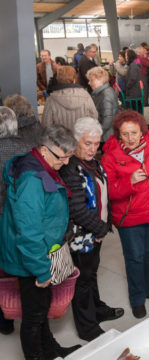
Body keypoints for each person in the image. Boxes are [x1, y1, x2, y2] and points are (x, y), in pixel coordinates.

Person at [0, 124, 81, 359]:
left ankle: (51, 350)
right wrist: (41, 271)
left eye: (69, 156)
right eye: (63, 157)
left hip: (38, 254)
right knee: (34, 315)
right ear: (45, 150)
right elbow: (29, 232)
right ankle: (37, 355)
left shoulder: (42, 164)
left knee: (41, 307)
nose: (66, 162)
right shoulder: (31, 180)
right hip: (30, 257)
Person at [101, 110, 149, 319]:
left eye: (134, 133)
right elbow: (109, 191)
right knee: (135, 258)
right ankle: (137, 298)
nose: (130, 138)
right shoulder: (110, 156)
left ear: (142, 131)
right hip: (130, 217)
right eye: (124, 134)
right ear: (118, 134)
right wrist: (130, 181)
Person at [59, 117, 124, 341]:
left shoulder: (92, 162)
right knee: (82, 282)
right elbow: (76, 209)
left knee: (91, 273)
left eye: (97, 144)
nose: (93, 148)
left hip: (95, 233)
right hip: (82, 237)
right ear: (76, 141)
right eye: (88, 143)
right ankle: (88, 328)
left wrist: (104, 226)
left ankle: (97, 309)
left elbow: (102, 195)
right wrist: (101, 229)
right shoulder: (70, 168)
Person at [0, 107, 32, 336]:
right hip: (22, 218)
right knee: (21, 267)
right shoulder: (27, 150)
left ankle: (4, 321)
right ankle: (23, 312)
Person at [42, 65, 98, 131]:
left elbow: (46, 125)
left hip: (60, 140)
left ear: (58, 80)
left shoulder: (51, 100)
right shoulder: (86, 96)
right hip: (82, 138)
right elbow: (94, 118)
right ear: (74, 80)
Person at [87, 66, 119, 143]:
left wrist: (97, 134)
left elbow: (107, 119)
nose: (89, 83)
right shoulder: (101, 92)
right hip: (106, 134)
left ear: (100, 79)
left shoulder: (105, 95)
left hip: (106, 136)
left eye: (91, 80)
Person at [125, 49, 146, 113]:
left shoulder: (133, 65)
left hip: (134, 92)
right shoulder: (135, 64)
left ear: (129, 56)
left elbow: (133, 78)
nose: (125, 57)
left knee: (135, 109)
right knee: (138, 108)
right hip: (136, 91)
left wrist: (128, 86)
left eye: (126, 56)